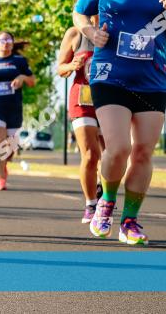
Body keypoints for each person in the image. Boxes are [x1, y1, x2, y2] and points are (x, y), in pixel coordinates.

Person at [74, 0, 166, 246]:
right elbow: (79, 14)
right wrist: (89, 31)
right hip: (110, 74)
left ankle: (130, 221)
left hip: (152, 78)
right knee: (119, 146)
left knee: (143, 152)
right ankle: (107, 202)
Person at [58, 17, 104, 223]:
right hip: (82, 99)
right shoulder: (75, 34)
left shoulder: (115, 30)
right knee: (91, 154)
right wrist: (71, 65)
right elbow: (60, 69)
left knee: (112, 154)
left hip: (109, 99)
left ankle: (103, 190)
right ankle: (91, 204)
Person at [0, 32, 35, 191]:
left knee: (10, 147)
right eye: (2, 40)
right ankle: (1, 178)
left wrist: (22, 78)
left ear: (12, 43)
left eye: (9, 40)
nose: (6, 43)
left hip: (13, 108)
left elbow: (32, 82)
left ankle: (4, 164)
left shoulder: (19, 61)